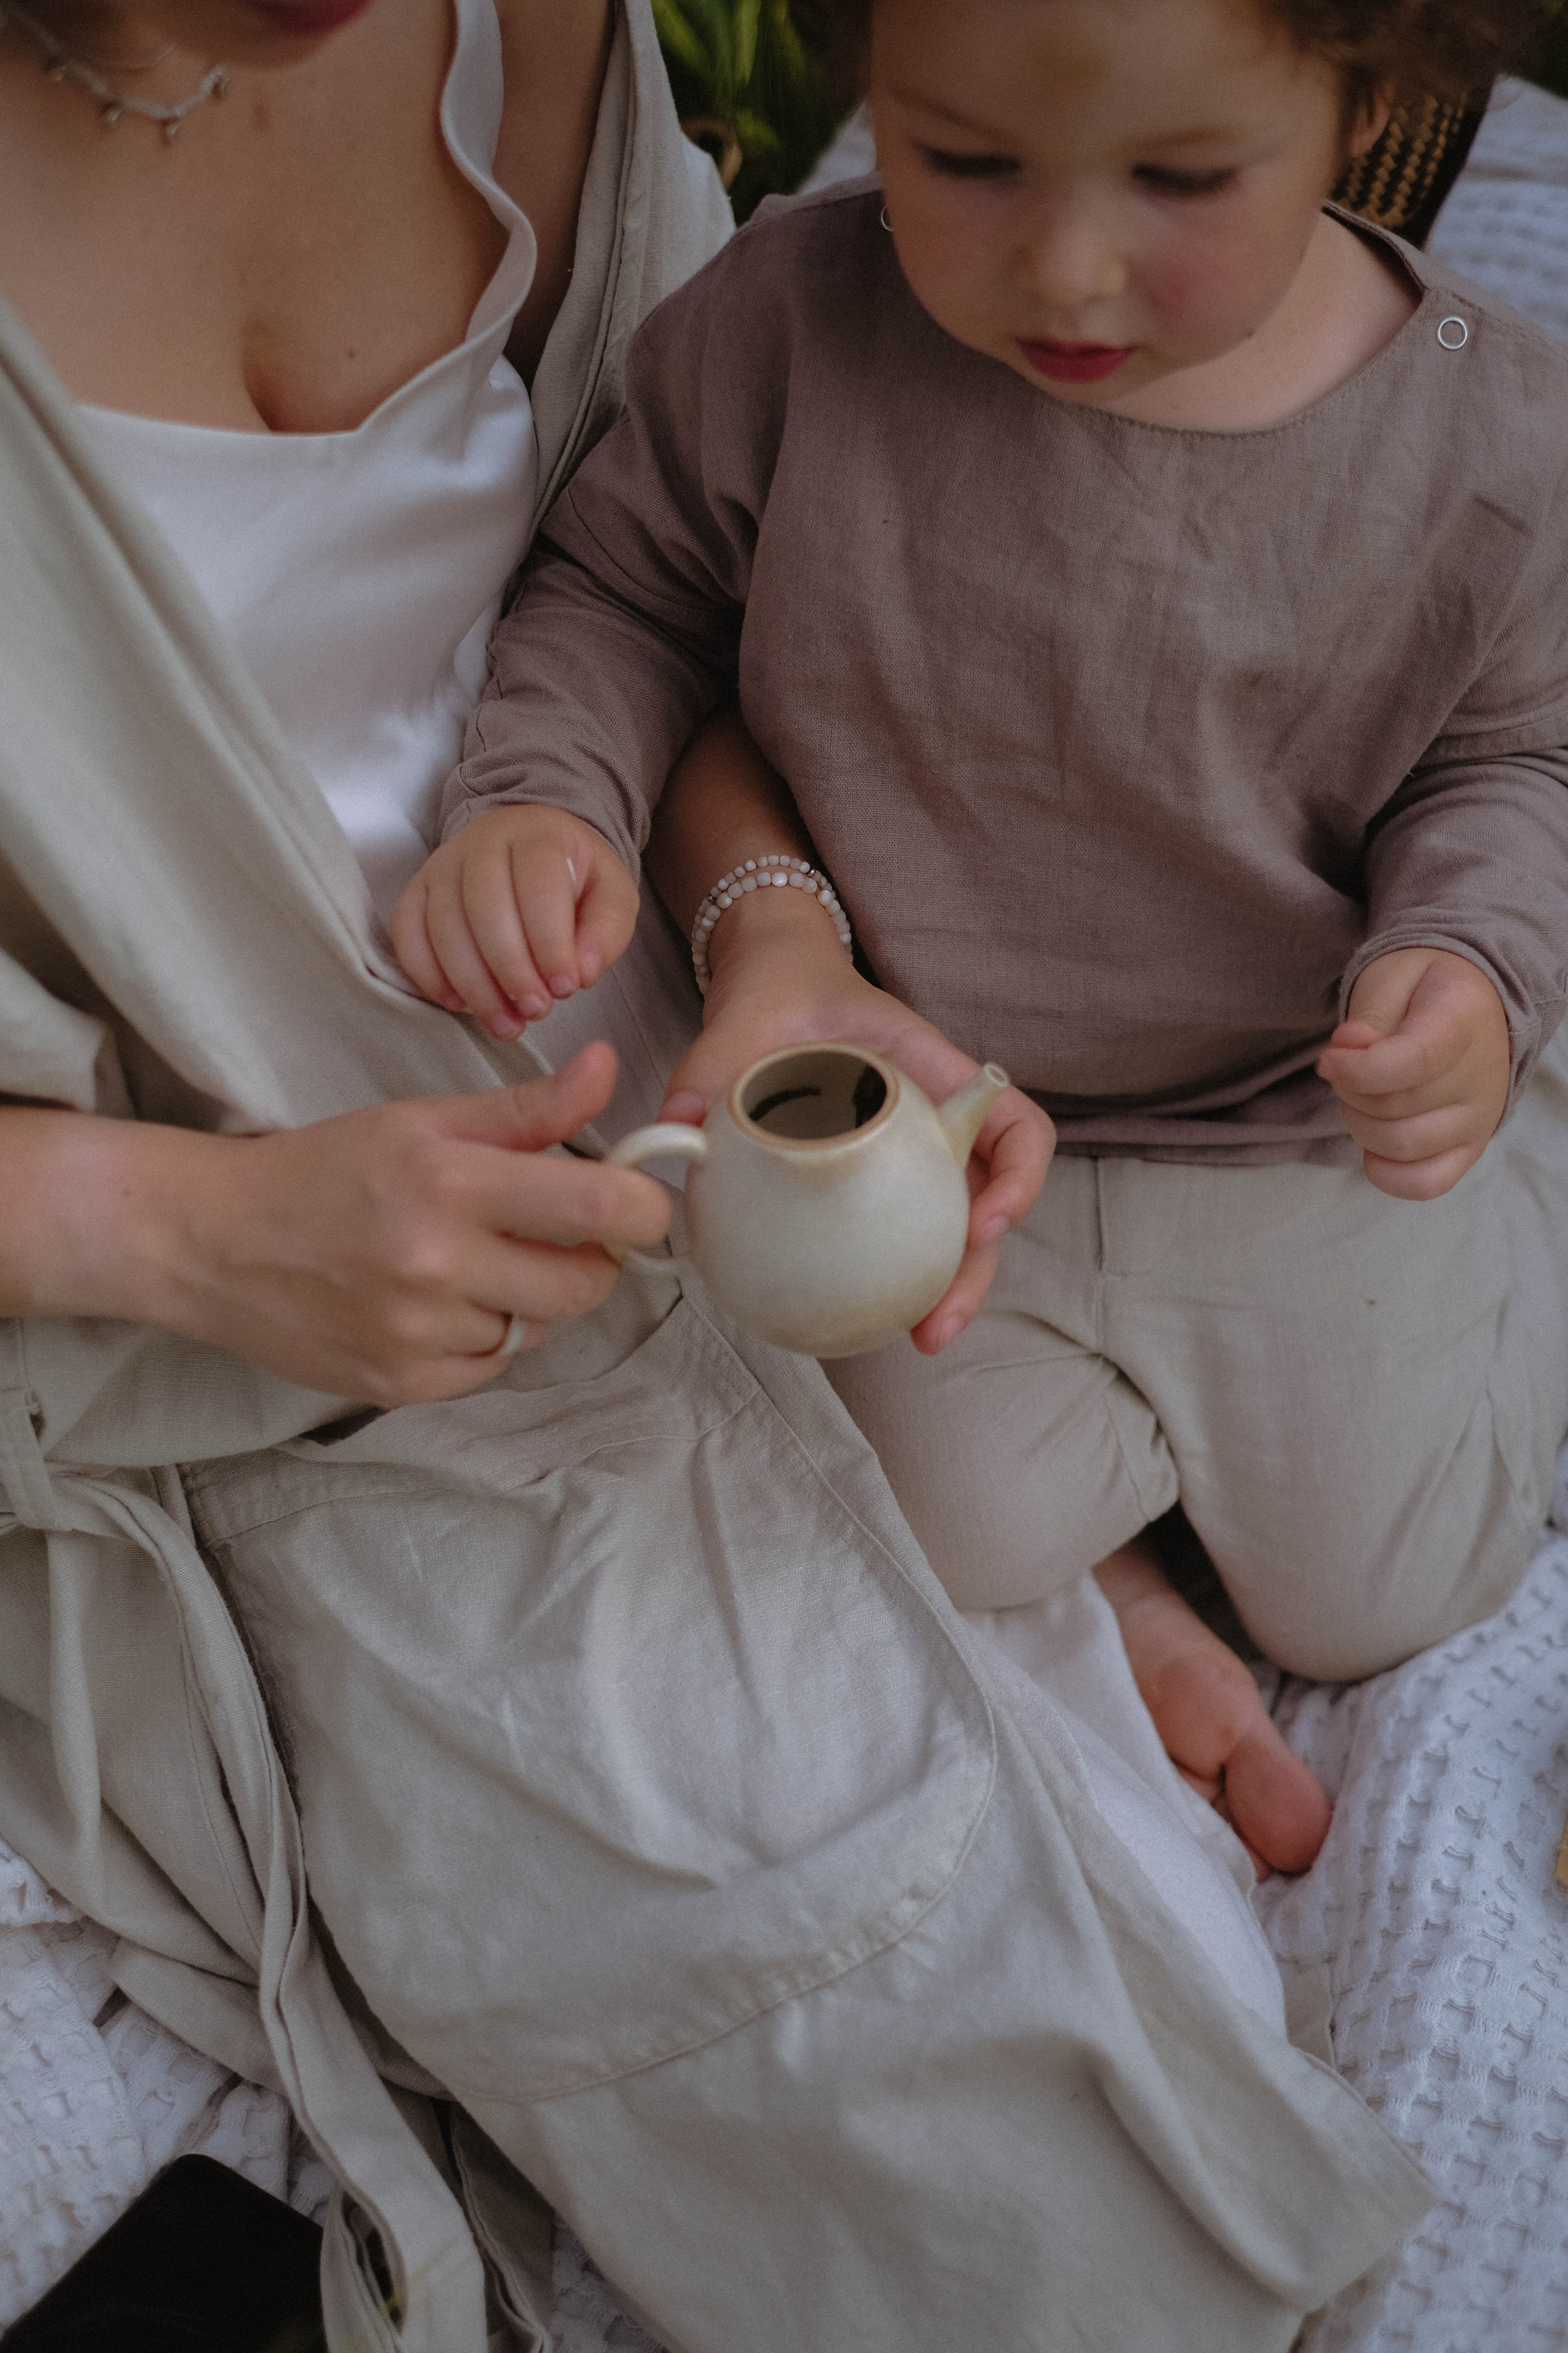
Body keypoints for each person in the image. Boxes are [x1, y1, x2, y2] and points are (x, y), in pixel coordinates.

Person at [0, 2, 1433, 2346]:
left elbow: (660, 590)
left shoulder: (523, 24)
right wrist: (192, 1236)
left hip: (678, 1099)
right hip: (231, 1273)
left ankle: (1028, 1570)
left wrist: (788, 954)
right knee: (945, 2122)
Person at [418, 0, 1568, 1881]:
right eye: (959, 161)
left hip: (1300, 1112)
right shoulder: (788, 331)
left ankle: (1532, 1155)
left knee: (1391, 1585)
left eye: (1183, 179)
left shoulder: (1493, 434)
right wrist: (546, 789)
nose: (1065, 262)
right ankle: (1128, 1571)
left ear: (1369, 110)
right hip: (945, 1110)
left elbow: (1519, 749)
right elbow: (628, 589)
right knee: (938, 1524)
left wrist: (1469, 967)